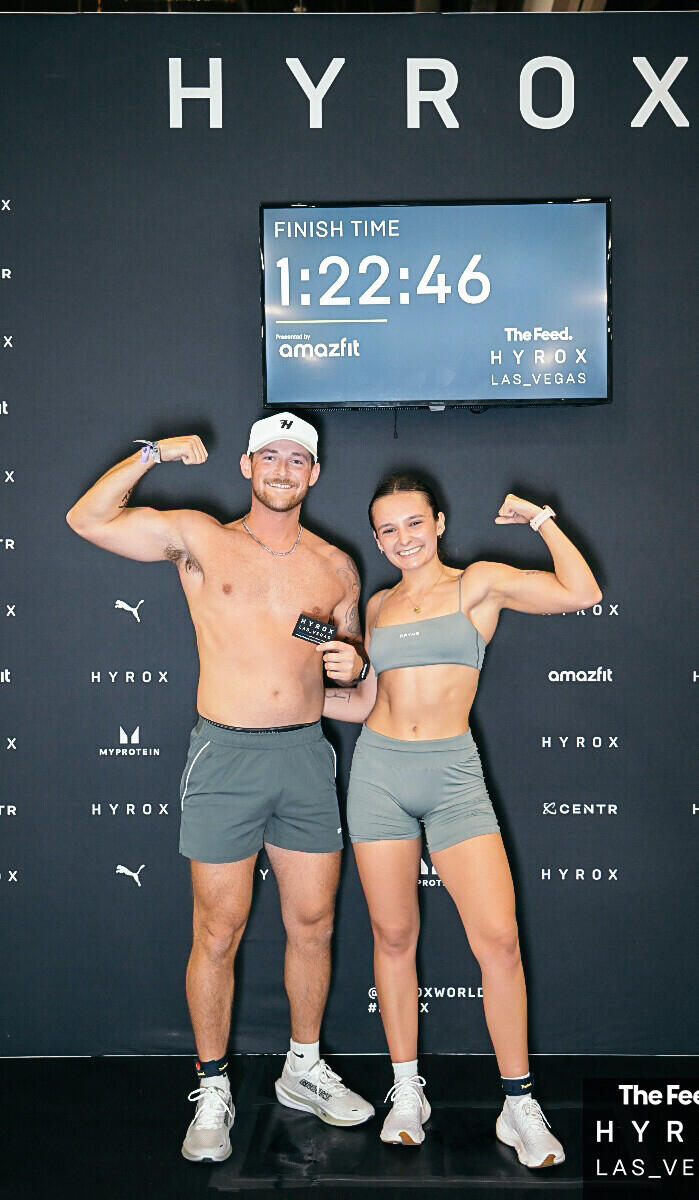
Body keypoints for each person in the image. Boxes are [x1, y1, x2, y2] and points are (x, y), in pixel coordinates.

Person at [66, 412, 374, 1164]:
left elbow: (352, 682)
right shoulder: (202, 538)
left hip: (304, 756)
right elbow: (88, 518)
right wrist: (154, 453)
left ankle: (302, 1069)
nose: (281, 469)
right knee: (217, 931)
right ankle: (212, 1088)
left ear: (313, 474)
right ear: (246, 466)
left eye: (296, 459)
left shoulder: (335, 567)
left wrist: (356, 666)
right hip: (225, 756)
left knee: (314, 924)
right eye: (269, 456)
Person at [323, 473, 602, 1168]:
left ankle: (518, 1103)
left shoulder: (476, 583)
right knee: (393, 937)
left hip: (452, 775)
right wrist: (289, 691)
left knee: (499, 942)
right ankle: (406, 1090)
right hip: (379, 774)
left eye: (413, 523)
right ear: (377, 539)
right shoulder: (378, 604)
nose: (403, 539)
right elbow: (364, 703)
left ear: (439, 522)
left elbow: (581, 592)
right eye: (388, 529)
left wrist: (540, 518)